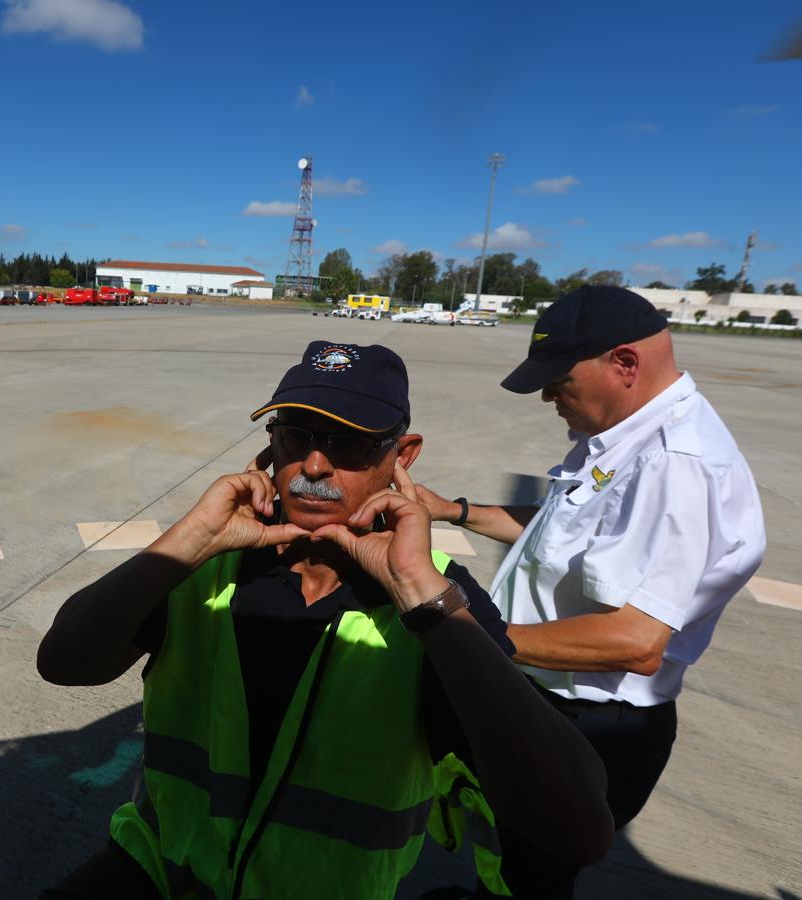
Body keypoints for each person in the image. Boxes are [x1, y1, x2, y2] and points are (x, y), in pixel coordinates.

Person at [37, 340, 613, 899]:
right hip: (158, 870)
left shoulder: (438, 598)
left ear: (403, 455)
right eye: (296, 437)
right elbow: (64, 663)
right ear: (269, 447)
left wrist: (418, 590)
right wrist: (189, 540)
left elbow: (577, 829)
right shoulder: (205, 566)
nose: (314, 464)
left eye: (351, 444)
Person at [415, 286, 767, 898]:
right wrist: (456, 510)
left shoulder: (672, 464)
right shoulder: (627, 437)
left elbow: (635, 642)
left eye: (558, 379)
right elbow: (563, 528)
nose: (548, 395)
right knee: (506, 855)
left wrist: (471, 641)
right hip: (556, 703)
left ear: (624, 364)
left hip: (589, 723)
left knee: (531, 874)